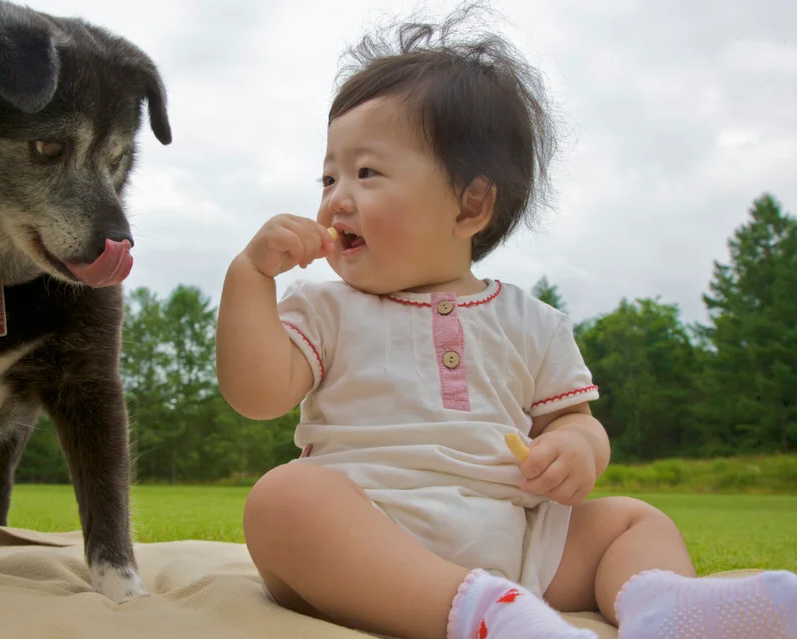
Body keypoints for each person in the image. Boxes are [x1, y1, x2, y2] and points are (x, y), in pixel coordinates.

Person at [215, 5, 796, 639]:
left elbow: (574, 421)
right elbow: (256, 395)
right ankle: (489, 617)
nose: (335, 199)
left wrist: (576, 448)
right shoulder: (325, 307)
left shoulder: (531, 323)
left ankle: (664, 608)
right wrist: (250, 276)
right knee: (284, 498)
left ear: (472, 205)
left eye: (367, 173)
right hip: (365, 539)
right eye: (328, 177)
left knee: (633, 522)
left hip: (515, 538)